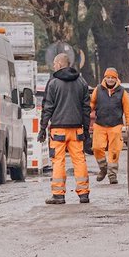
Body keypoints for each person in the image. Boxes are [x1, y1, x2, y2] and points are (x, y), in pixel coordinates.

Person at [37, 53, 91, 204]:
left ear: (60, 64)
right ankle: (84, 193)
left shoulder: (53, 83)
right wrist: (86, 130)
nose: (54, 67)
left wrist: (42, 129)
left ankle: (58, 195)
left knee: (58, 161)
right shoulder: (81, 82)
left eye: (54, 64)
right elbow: (86, 108)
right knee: (79, 160)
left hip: (58, 130)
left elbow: (47, 107)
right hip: (76, 130)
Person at [90, 68, 129, 184]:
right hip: (100, 124)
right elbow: (92, 104)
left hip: (116, 126)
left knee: (114, 151)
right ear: (104, 78)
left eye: (112, 78)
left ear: (116, 79)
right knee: (97, 147)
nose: (110, 79)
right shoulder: (98, 90)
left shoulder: (122, 92)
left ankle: (112, 175)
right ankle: (103, 168)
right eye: (108, 77)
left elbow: (128, 110)